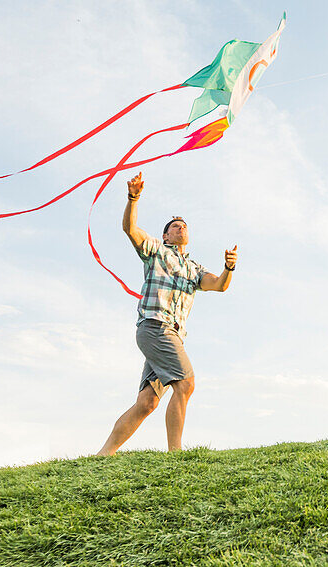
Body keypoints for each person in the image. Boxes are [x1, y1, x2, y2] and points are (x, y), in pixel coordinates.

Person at [96, 171, 237, 455]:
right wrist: (133, 198)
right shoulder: (157, 251)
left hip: (170, 335)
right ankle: (175, 454)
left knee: (147, 402)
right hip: (155, 327)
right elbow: (130, 229)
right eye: (175, 226)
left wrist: (229, 267)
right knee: (185, 384)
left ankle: (102, 456)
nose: (180, 228)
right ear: (166, 234)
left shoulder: (195, 269)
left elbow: (219, 286)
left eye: (183, 225)